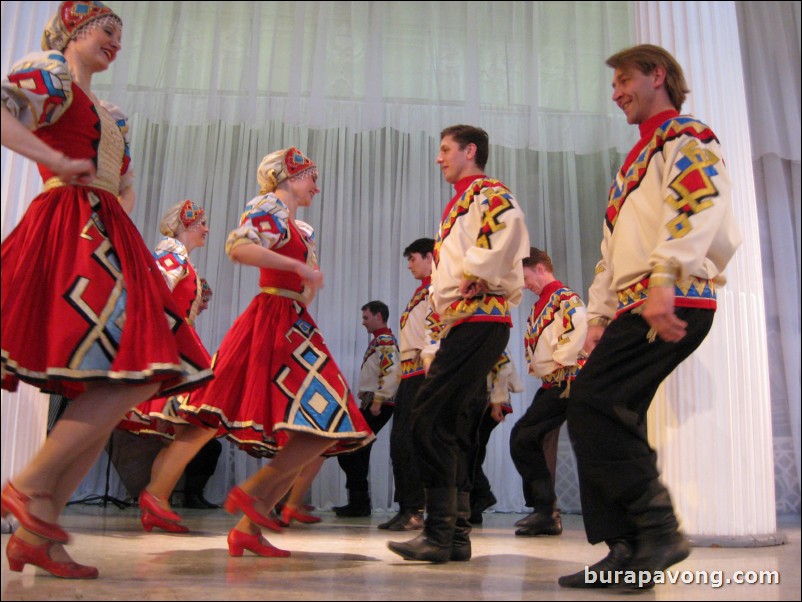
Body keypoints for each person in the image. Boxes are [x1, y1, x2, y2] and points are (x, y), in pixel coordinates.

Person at [0, 1, 211, 579]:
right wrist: (51, 159)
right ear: (72, 29)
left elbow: (122, 187)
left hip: (107, 231)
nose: (116, 42)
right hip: (69, 228)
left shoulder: (112, 113)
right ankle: (29, 487)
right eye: (105, 30)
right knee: (132, 369)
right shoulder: (50, 70)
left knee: (127, 372)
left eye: (121, 35)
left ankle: (37, 529)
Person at [559, 45, 741, 588]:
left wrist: (665, 275)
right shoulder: (635, 161)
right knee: (606, 411)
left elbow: (697, 202)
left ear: (657, 75)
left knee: (593, 404)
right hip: (640, 298)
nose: (615, 92)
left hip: (673, 295)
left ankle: (656, 529)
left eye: (623, 79)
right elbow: (614, 249)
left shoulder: (687, 136)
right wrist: (598, 315)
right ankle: (628, 552)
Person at [180, 147, 374, 557]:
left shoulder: (294, 223)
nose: (316, 187)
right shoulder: (268, 206)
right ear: (287, 177)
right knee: (329, 417)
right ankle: (253, 495)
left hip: (293, 320)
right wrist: (302, 271)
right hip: (277, 321)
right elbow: (238, 247)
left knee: (322, 421)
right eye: (310, 177)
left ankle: (249, 525)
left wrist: (303, 278)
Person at [388, 125, 530, 563]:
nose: (439, 158)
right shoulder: (463, 200)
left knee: (428, 416)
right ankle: (454, 536)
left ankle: (439, 532)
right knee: (450, 423)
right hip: (466, 322)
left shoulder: (487, 192)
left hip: (479, 319)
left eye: (446, 149)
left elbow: (508, 226)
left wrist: (478, 274)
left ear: (470, 151)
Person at [115, 200, 218, 531]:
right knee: (204, 419)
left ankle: (157, 499)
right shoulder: (171, 254)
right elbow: (153, 292)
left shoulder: (181, 258)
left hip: (179, 346)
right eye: (201, 223)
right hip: (174, 350)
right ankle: (155, 497)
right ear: (186, 225)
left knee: (191, 426)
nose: (206, 229)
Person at [509, 247, 587, 537]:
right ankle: (545, 511)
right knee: (530, 439)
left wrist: (561, 358)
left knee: (524, 437)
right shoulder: (544, 302)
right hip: (554, 382)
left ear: (540, 268)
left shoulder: (564, 297)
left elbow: (579, 324)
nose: (524, 283)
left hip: (568, 380)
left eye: (526, 276)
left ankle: (545, 509)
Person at [380, 238, 435, 531]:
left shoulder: (438, 289)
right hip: (410, 373)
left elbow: (437, 329)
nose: (409, 264)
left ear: (430, 257)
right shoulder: (422, 291)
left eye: (413, 258)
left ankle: (417, 509)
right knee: (400, 442)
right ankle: (407, 507)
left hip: (425, 372)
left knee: (413, 442)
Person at [334, 301, 400, 517]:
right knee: (357, 451)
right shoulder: (381, 341)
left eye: (366, 318)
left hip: (379, 403)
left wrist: (378, 399)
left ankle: (360, 502)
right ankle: (359, 501)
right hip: (374, 401)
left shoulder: (386, 341)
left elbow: (391, 372)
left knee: (350, 449)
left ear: (378, 317)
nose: (363, 322)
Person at [468, 350, 523, 525]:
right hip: (485, 399)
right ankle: (474, 506)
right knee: (474, 449)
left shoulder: (493, 336)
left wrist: (496, 402)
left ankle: (482, 494)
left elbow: (503, 367)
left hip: (488, 400)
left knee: (469, 450)